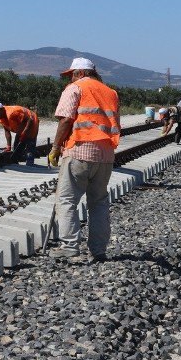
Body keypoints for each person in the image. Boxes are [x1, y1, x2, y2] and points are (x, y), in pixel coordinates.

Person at [46, 57, 120, 262]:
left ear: (79, 73)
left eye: (71, 75)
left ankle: (69, 247)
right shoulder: (111, 93)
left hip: (79, 151)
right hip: (105, 155)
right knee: (98, 202)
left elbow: (66, 119)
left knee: (67, 199)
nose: (69, 79)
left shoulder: (75, 88)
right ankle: (99, 250)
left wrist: (55, 148)